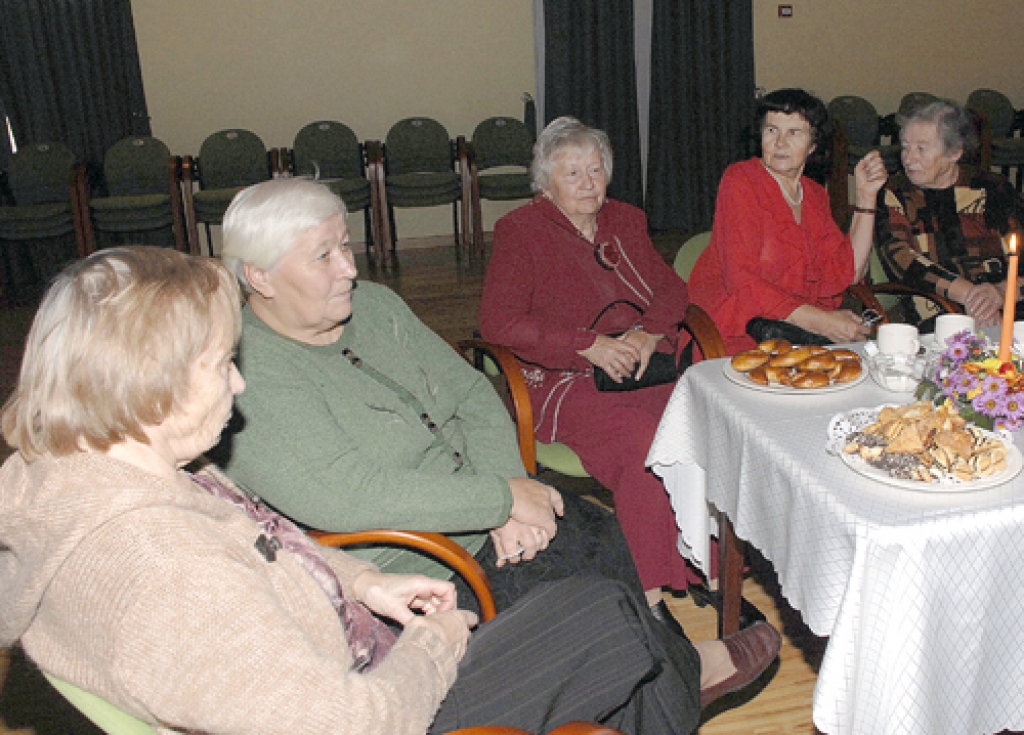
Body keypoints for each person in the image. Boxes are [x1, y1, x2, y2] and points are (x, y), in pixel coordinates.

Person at [0, 247, 781, 734]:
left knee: (600, 614)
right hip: (376, 703)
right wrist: (438, 642)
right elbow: (348, 722)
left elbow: (264, 544)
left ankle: (676, 683)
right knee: (607, 618)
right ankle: (686, 680)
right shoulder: (163, 573)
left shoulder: (87, 473)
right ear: (150, 386)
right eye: (217, 364)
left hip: (344, 645)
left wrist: (365, 579)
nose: (239, 382)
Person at [477, 116, 704, 609]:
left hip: (644, 361)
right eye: (572, 172)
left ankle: (698, 561)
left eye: (596, 170)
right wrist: (587, 345)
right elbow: (499, 323)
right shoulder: (521, 231)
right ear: (546, 182)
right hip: (567, 375)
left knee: (700, 425)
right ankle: (650, 598)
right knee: (643, 445)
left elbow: (670, 288)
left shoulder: (626, 219)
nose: (587, 183)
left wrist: (649, 333)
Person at [689, 88, 889, 354]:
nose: (780, 143)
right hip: (737, 332)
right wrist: (822, 322)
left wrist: (866, 196)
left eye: (794, 132)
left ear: (813, 145)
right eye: (772, 130)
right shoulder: (741, 180)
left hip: (798, 333)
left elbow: (848, 271)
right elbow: (741, 280)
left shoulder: (815, 195)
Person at [875, 99, 1024, 329]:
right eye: (905, 146)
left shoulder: (993, 189)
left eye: (921, 148)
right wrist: (973, 300)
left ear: (954, 152)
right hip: (939, 313)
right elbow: (902, 260)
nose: (909, 158)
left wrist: (1002, 292)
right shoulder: (895, 193)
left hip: (1007, 305)